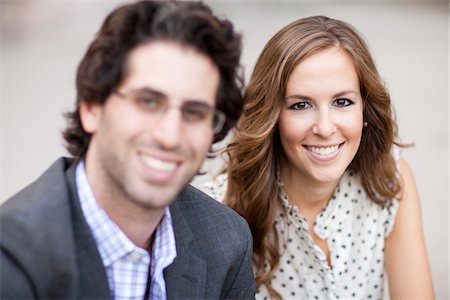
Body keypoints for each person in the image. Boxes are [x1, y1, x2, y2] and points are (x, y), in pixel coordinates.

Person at [0, 1, 256, 299]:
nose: (170, 136)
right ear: (92, 108)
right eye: (148, 102)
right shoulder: (12, 259)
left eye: (195, 112)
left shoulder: (227, 240)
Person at [201, 16, 434, 300]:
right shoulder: (219, 208)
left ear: (365, 110)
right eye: (300, 105)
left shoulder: (390, 176)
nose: (324, 128)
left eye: (342, 102)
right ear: (272, 116)